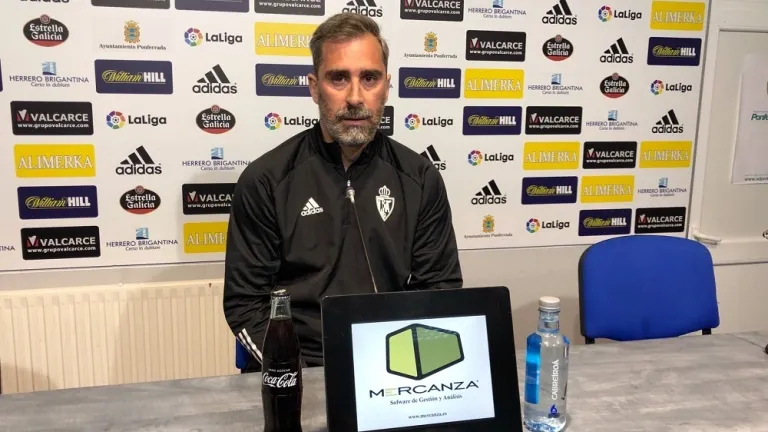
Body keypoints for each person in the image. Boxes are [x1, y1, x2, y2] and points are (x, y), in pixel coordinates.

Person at [222, 12, 463, 373]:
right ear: (314, 87)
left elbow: (440, 290)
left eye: (369, 78)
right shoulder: (266, 181)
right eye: (338, 78)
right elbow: (245, 304)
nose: (355, 97)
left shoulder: (420, 178)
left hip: (391, 366)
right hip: (298, 370)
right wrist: (299, 376)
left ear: (386, 86)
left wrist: (403, 370)